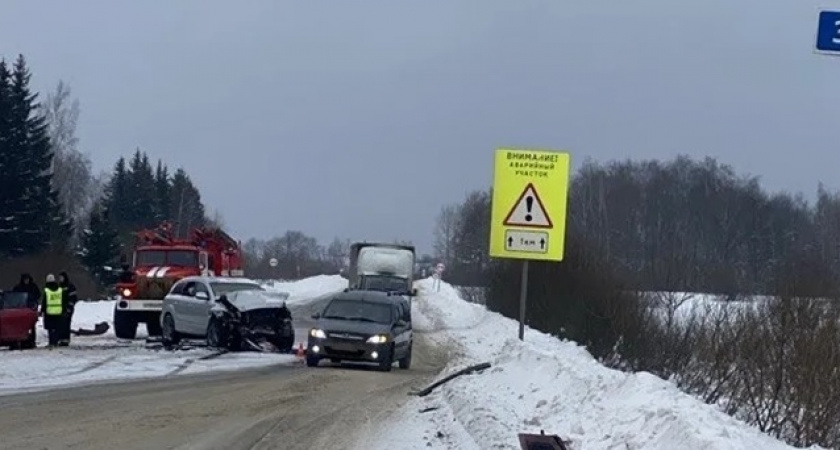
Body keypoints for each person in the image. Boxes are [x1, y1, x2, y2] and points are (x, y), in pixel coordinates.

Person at [41, 274, 68, 348]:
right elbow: (63, 300)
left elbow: (44, 301)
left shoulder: (47, 290)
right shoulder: (60, 289)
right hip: (58, 311)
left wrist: (42, 310)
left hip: (49, 312)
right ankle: (55, 342)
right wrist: (64, 309)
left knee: (50, 328)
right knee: (57, 328)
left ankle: (51, 342)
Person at [57, 271, 78, 346]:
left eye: (61, 277)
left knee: (66, 323)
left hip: (68, 307)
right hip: (60, 308)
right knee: (60, 324)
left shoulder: (70, 286)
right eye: (59, 278)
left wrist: (69, 307)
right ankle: (61, 338)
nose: (60, 279)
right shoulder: (59, 287)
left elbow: (73, 298)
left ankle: (66, 339)